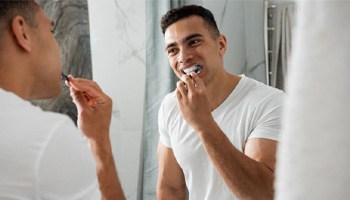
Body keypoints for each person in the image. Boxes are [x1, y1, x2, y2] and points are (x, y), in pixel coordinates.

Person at [157, 5, 285, 200]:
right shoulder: (171, 105)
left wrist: (204, 124)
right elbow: (170, 187)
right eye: (173, 50)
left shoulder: (270, 103)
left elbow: (263, 195)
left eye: (194, 41)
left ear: (221, 45)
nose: (183, 57)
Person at [0, 1, 125, 199]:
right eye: (52, 30)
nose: (59, 49)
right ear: (22, 32)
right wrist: (99, 142)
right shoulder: (47, 137)